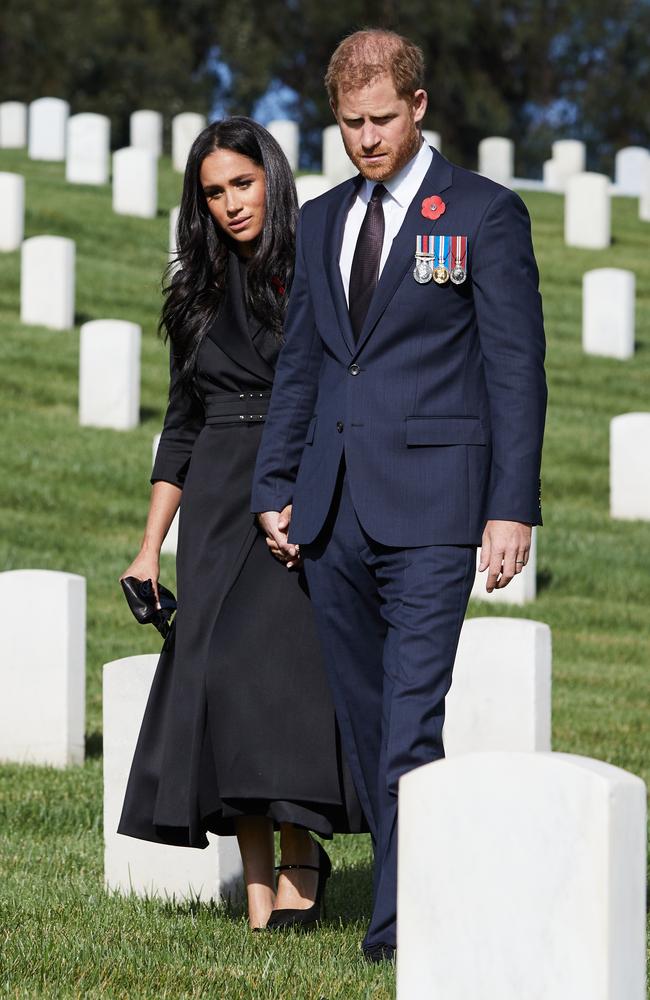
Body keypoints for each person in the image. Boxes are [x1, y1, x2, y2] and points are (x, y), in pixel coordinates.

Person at [253, 30, 547, 961]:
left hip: (435, 508)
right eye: (350, 124)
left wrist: (513, 506)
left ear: (419, 108)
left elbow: (515, 368)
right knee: (370, 723)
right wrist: (277, 483)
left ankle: (401, 933)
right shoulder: (329, 216)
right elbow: (303, 363)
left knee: (411, 721)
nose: (368, 139)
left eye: (383, 119)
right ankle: (430, 891)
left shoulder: (485, 215)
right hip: (332, 510)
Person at [118, 117, 363, 932]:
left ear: (273, 179)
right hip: (217, 497)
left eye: (242, 184)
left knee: (275, 680)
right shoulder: (194, 290)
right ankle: (259, 893)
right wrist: (151, 546)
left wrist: (307, 486)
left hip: (290, 479)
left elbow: (337, 386)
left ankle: (303, 853)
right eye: (213, 191)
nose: (229, 203)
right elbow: (180, 425)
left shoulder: (313, 268)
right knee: (220, 684)